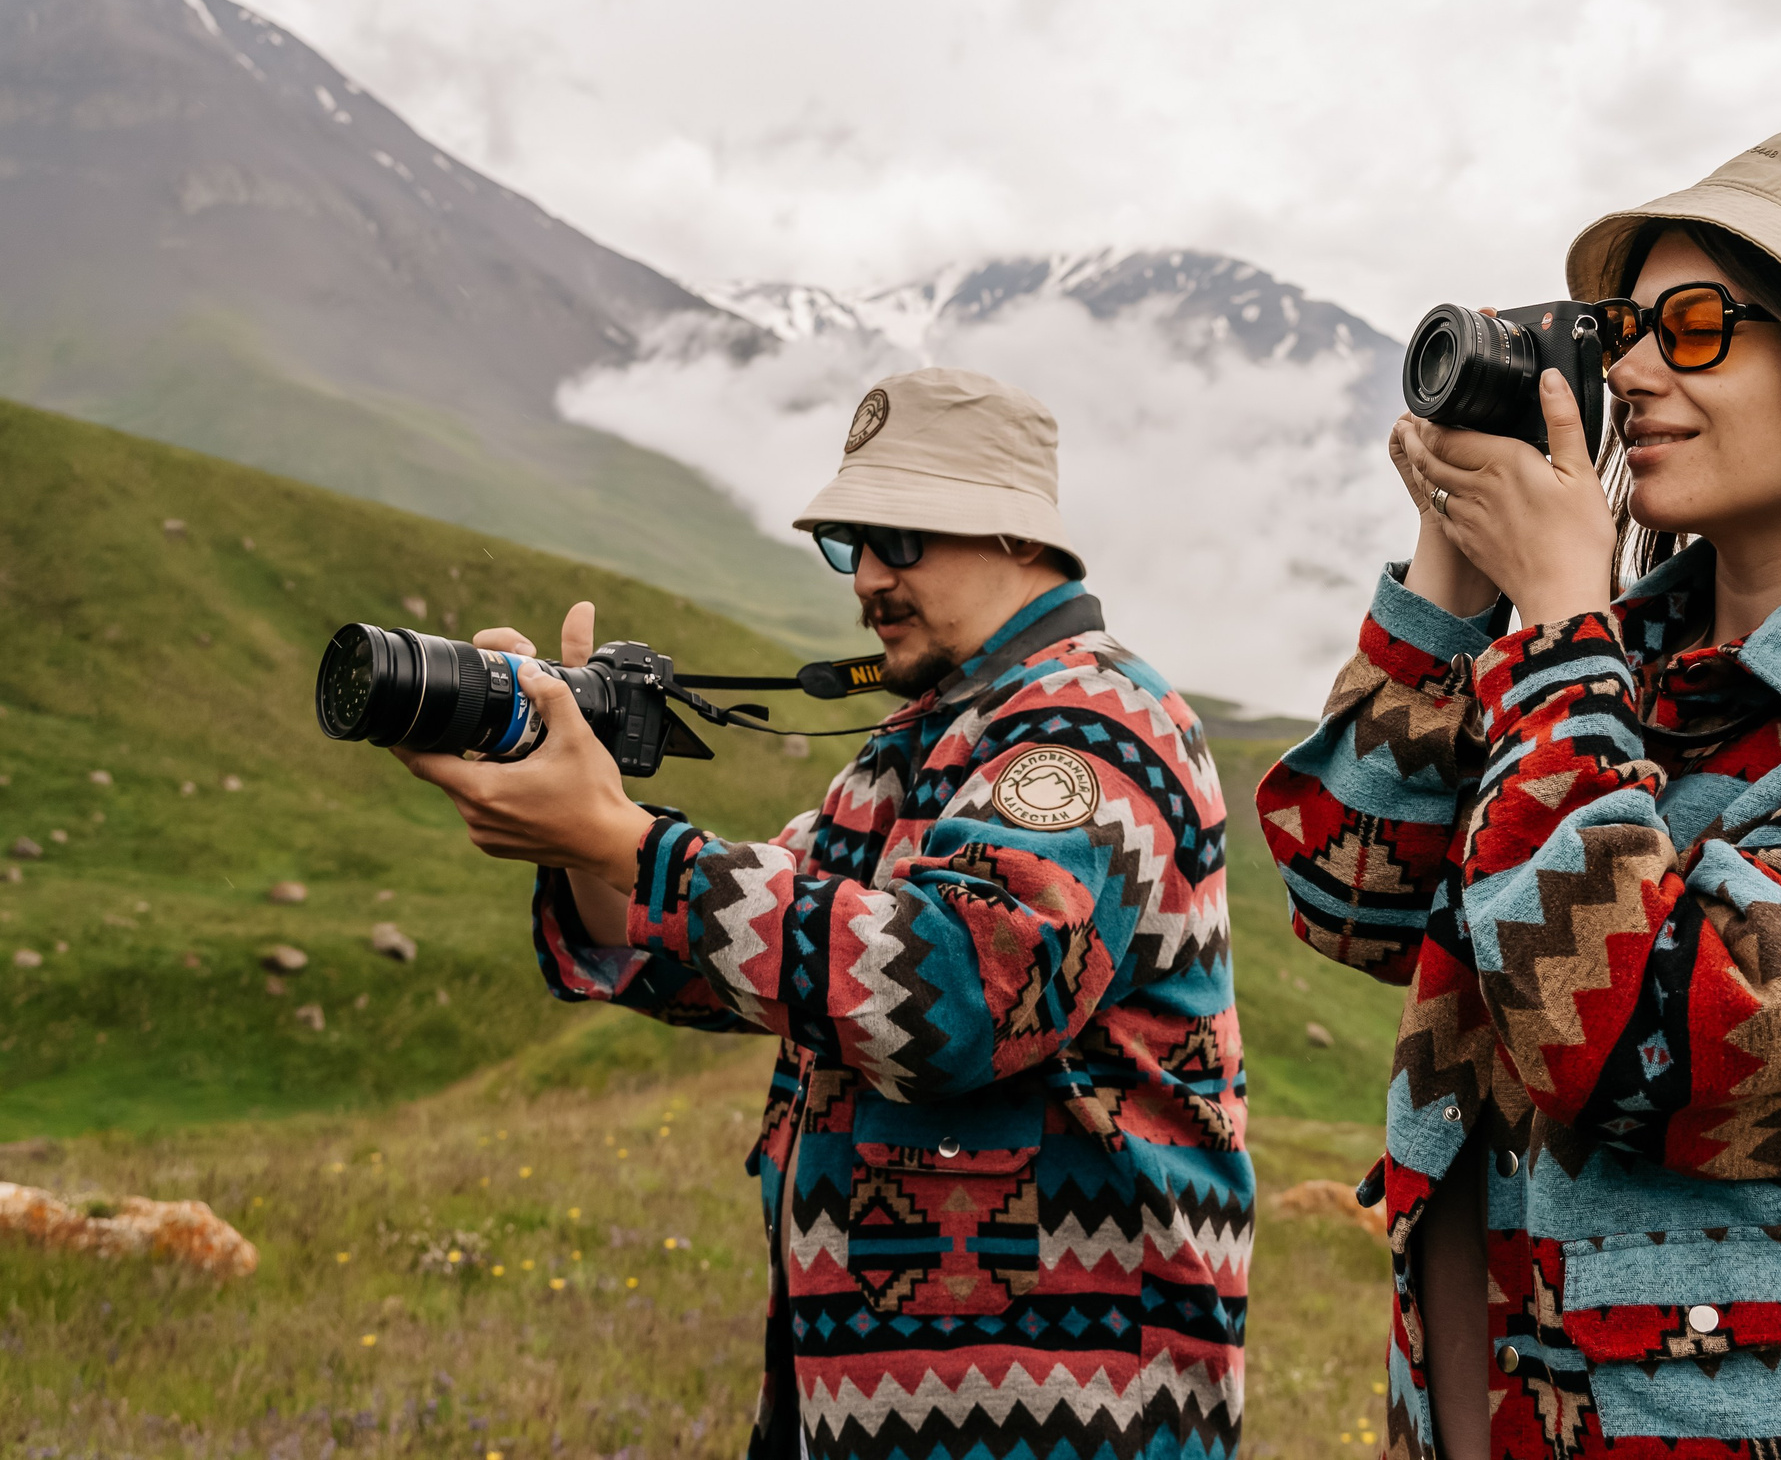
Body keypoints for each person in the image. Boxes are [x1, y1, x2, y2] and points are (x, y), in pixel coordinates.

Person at [1258, 127, 1781, 1459]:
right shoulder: (1603, 675)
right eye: (1625, 331)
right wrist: (1454, 568)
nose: (1632, 373)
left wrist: (1558, 633)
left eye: (1698, 328)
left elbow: (1663, 1057)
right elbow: (1350, 889)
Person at [400, 367, 1250, 1460]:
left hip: (1075, 1419)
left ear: (1016, 533)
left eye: (901, 537)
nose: (870, 578)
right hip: (868, 1411)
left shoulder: (1093, 720)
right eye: (851, 541)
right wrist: (578, 815)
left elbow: (962, 992)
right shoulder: (915, 746)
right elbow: (721, 958)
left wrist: (627, 842)